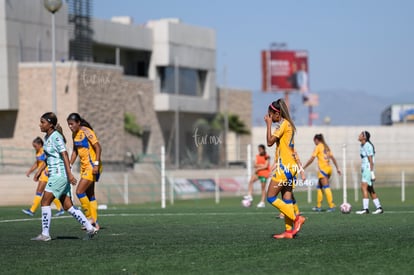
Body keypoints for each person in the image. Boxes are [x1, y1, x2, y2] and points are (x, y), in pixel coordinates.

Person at [31, 112, 98, 241]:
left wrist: (69, 174)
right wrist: (40, 171)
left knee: (45, 201)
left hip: (59, 175)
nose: (40, 125)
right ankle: (90, 228)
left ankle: (45, 234)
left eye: (43, 122)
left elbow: (65, 155)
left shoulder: (55, 137)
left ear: (50, 124)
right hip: (57, 175)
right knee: (68, 206)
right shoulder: (48, 137)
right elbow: (50, 156)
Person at [265, 98, 306, 239]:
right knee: (287, 198)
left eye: (270, 115)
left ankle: (296, 218)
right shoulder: (288, 124)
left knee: (270, 197)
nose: (269, 117)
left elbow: (269, 142)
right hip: (290, 166)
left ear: (277, 114)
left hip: (285, 167)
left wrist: (268, 125)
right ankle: (289, 232)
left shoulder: (283, 124)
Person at [67, 113, 102, 229]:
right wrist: (70, 165)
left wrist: (96, 165)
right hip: (84, 167)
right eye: (69, 125)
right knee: (90, 194)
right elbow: (75, 151)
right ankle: (95, 223)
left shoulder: (86, 131)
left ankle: (89, 218)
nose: (70, 126)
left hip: (92, 166)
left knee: (79, 192)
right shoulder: (74, 134)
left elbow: (98, 147)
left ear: (78, 123)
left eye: (72, 124)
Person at [22, 137, 65, 217]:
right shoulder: (38, 152)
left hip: (45, 174)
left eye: (35, 146)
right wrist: (30, 171)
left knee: (39, 191)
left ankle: (32, 210)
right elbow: (37, 163)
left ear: (40, 144)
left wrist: (47, 170)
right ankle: (60, 209)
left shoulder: (45, 151)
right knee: (49, 192)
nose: (34, 148)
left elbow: (49, 160)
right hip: (41, 174)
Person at [303, 134, 341, 212]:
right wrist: (337, 168)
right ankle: (318, 206)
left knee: (326, 186)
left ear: (317, 140)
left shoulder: (318, 147)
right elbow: (333, 158)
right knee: (319, 186)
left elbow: (312, 158)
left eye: (314, 141)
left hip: (323, 169)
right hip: (329, 168)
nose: (314, 142)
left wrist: (304, 167)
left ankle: (332, 206)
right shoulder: (326, 147)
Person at [356, 131, 384, 214]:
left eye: (360, 134)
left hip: (368, 169)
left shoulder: (367, 145)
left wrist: (372, 173)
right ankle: (379, 208)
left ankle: (365, 209)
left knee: (363, 187)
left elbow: (370, 160)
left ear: (364, 137)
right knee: (370, 189)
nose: (359, 135)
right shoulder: (362, 145)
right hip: (365, 169)